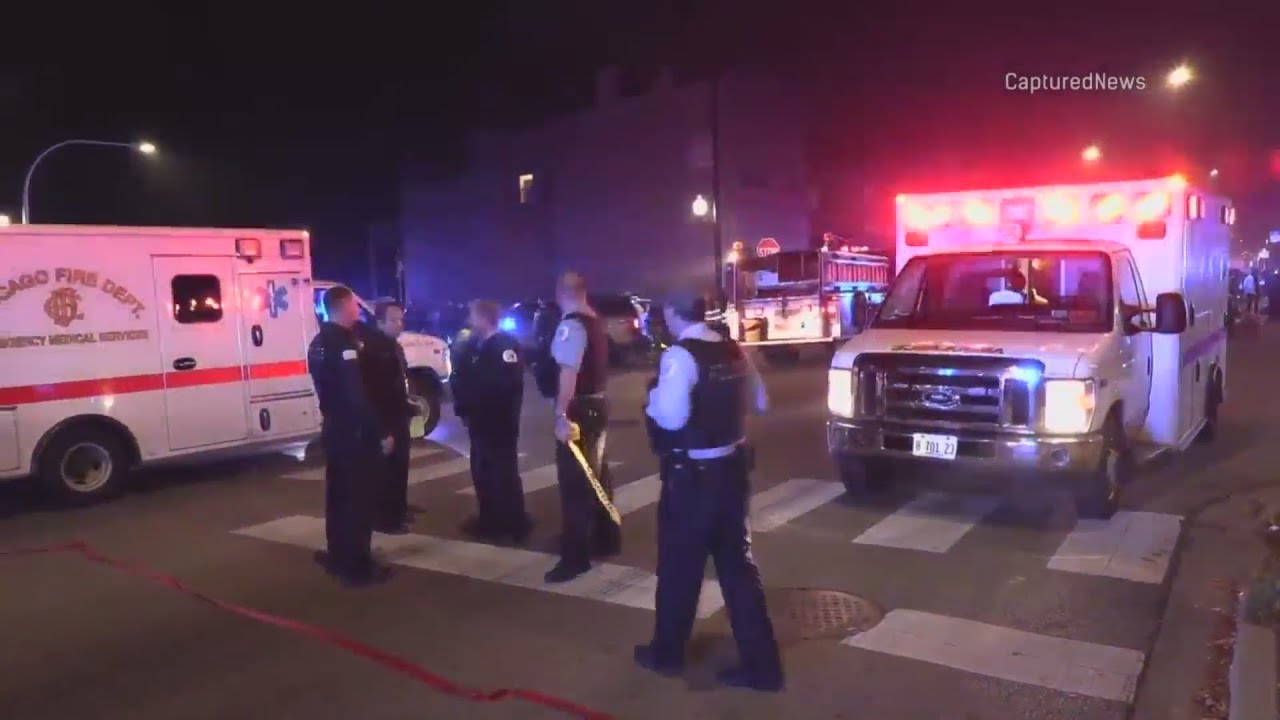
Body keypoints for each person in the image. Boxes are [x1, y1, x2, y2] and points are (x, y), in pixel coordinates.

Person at [634, 289, 783, 692]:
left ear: (670, 313)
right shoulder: (733, 349)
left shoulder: (681, 356)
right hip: (732, 472)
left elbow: (671, 415)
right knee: (739, 571)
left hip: (693, 477)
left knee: (680, 570)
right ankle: (763, 667)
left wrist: (650, 400)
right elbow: (762, 400)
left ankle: (666, 654)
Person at [307, 285, 394, 586]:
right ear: (343, 306)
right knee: (358, 498)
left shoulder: (318, 342)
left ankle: (338, 555)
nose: (358, 310)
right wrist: (380, 431)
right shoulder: (342, 342)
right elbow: (355, 395)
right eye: (355, 305)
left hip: (333, 428)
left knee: (338, 495)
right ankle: (357, 565)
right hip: (353, 432)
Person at [545, 271, 621, 583]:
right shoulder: (596, 321)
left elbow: (568, 374)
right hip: (598, 404)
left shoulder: (572, 325)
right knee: (598, 474)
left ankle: (576, 557)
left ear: (562, 292)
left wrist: (561, 415)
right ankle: (607, 537)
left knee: (575, 483)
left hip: (580, 408)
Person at [453, 299, 532, 543]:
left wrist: (478, 405)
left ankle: (513, 524)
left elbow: (504, 386)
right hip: (481, 423)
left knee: (503, 473)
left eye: (473, 316)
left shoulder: (503, 346)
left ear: (485, 318)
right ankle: (489, 519)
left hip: (498, 423)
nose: (470, 321)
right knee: (483, 472)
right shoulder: (477, 344)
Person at [358, 300, 414, 535]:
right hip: (386, 419)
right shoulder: (374, 349)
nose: (399, 324)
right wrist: (384, 430)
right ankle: (385, 519)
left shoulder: (393, 346)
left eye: (401, 319)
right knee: (386, 471)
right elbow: (376, 393)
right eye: (393, 320)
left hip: (399, 415)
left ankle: (398, 510)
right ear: (379, 322)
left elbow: (398, 382)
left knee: (400, 467)